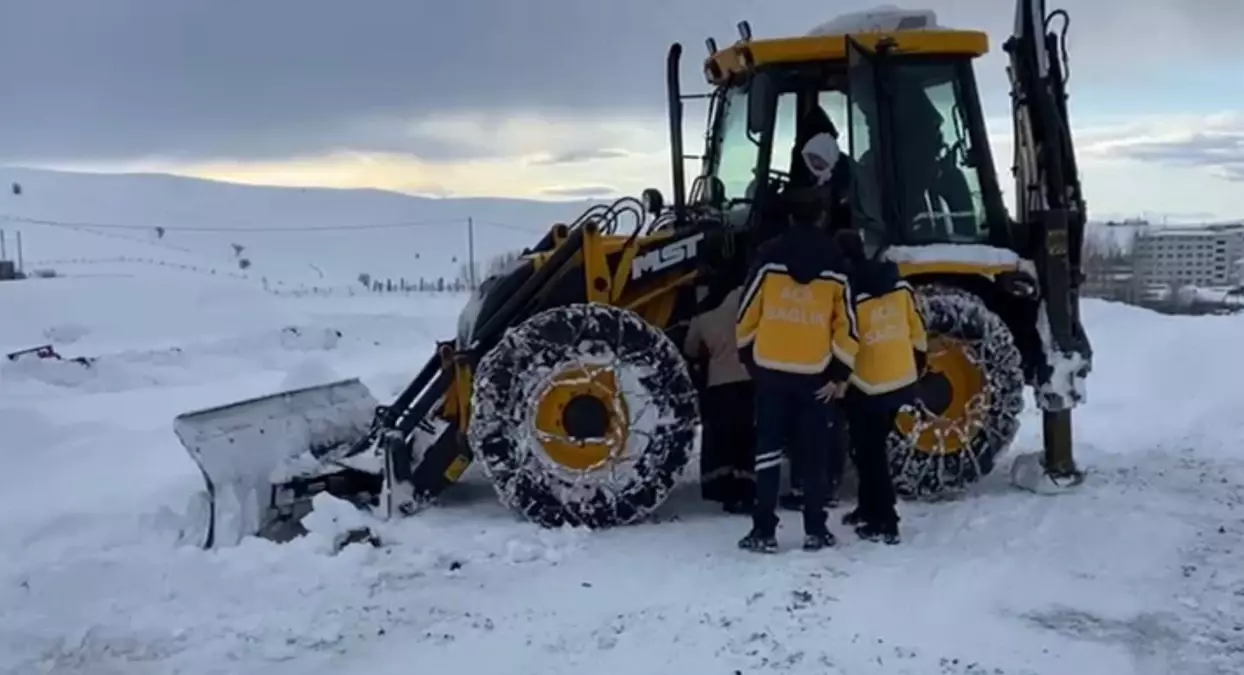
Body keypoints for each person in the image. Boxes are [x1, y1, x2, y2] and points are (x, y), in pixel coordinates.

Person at [734, 133, 858, 553]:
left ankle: (764, 531)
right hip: (815, 376)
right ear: (823, 217)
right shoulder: (836, 264)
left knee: (767, 451)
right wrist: (839, 370)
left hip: (771, 373)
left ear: (789, 217)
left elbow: (747, 313)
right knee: (813, 453)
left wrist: (751, 359)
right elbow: (847, 325)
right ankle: (815, 530)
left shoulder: (768, 258)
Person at [833, 229, 928, 545]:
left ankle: (885, 521)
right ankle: (867, 508)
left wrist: (836, 375)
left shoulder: (848, 292)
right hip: (899, 378)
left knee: (871, 454)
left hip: (866, 382)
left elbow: (845, 340)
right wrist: (916, 367)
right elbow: (916, 330)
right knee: (868, 448)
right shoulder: (899, 284)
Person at [684, 283, 755, 514]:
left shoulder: (704, 317)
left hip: (719, 385)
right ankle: (749, 489)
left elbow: (691, 349)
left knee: (724, 440)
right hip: (750, 381)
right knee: (748, 437)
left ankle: (728, 493)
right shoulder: (750, 307)